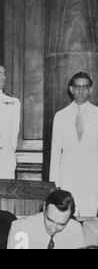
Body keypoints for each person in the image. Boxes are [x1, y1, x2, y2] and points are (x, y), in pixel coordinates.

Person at [50, 72, 98, 217]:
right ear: (71, 89)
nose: (81, 91)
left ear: (90, 89)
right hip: (67, 178)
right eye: (77, 87)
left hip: (92, 178)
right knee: (67, 217)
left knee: (89, 219)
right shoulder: (61, 116)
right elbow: (55, 152)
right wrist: (54, 182)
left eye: (85, 87)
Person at [7, 190, 85, 249]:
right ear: (44, 207)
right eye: (50, 220)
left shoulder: (75, 229)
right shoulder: (21, 228)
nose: (53, 229)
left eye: (61, 224)